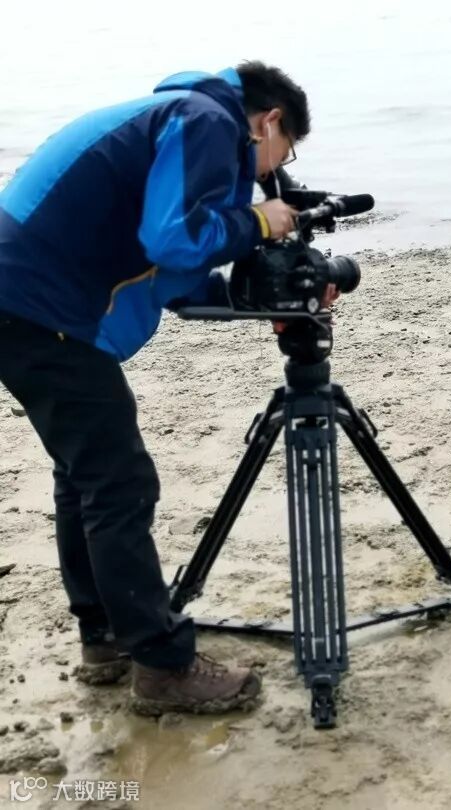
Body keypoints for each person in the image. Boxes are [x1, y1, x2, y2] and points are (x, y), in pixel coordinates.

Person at [0, 61, 307, 715]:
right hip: (36, 306)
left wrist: (261, 296)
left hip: (21, 301)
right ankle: (163, 670)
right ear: (270, 121)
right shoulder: (207, 120)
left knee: (85, 476)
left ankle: (106, 638)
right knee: (119, 484)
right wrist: (260, 222)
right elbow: (171, 239)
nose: (271, 176)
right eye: (282, 157)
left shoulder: (170, 118)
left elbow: (171, 271)